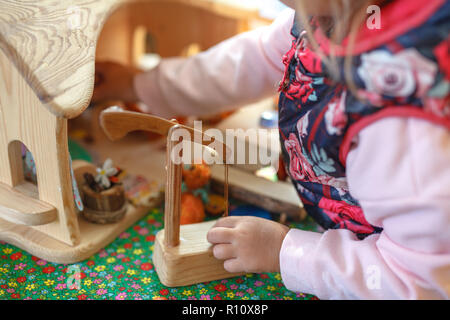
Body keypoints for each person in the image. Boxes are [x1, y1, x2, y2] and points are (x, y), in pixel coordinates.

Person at [93, 0, 450, 299]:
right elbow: (245, 63)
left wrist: (286, 252)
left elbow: (418, 282)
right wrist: (138, 84)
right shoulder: (329, 14)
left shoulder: (407, 129)